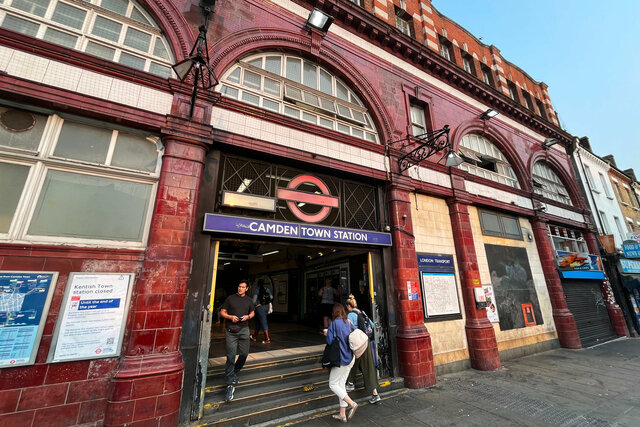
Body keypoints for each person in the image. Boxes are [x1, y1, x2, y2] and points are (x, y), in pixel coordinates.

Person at [219, 280, 255, 402]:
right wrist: (230, 317)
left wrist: (248, 317)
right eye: (239, 286)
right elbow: (222, 312)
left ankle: (234, 371)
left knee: (244, 354)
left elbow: (253, 312)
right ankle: (229, 385)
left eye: (242, 287)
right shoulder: (230, 298)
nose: (240, 289)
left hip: (244, 329)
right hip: (231, 331)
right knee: (230, 356)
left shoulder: (249, 300)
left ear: (246, 288)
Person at [325, 303, 358, 422]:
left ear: (334, 313)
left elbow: (329, 341)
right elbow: (355, 333)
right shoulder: (348, 322)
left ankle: (352, 403)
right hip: (351, 358)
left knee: (333, 384)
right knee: (341, 385)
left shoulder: (333, 324)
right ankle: (342, 414)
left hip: (341, 359)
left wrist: (326, 332)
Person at [345, 295, 380, 404]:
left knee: (354, 361)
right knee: (366, 365)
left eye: (347, 306)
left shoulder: (350, 315)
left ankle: (350, 383)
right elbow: (372, 325)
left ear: (349, 306)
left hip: (357, 343)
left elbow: (347, 330)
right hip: (366, 341)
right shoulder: (362, 312)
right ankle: (374, 393)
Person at [251, 278, 273, 343]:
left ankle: (267, 338)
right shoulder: (267, 289)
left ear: (258, 283)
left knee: (263, 321)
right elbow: (271, 297)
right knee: (258, 321)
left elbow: (254, 301)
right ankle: (254, 336)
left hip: (260, 308)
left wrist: (258, 304)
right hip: (267, 306)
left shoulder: (257, 290)